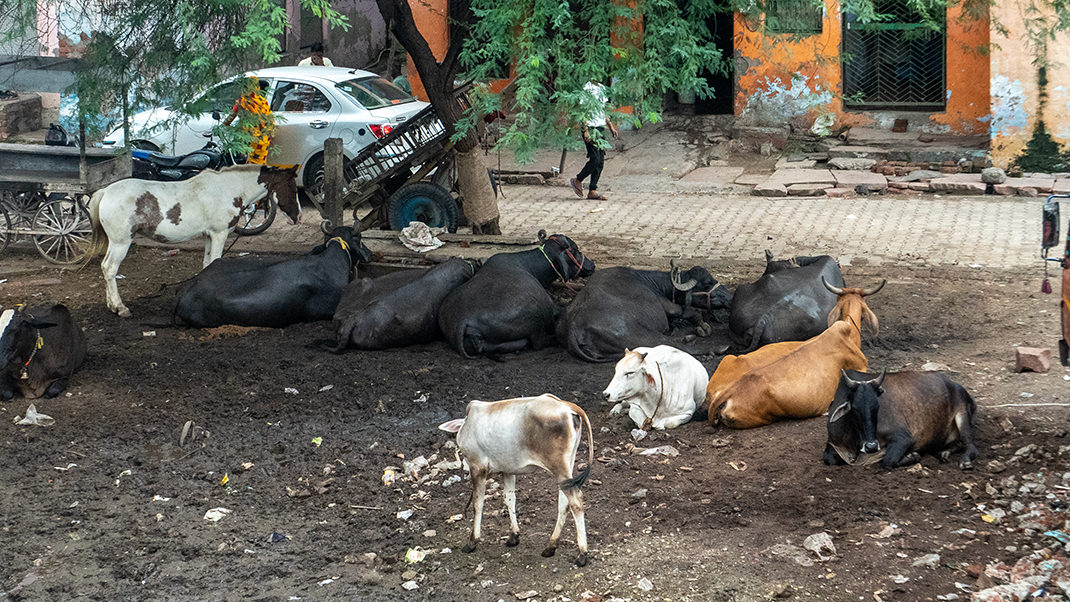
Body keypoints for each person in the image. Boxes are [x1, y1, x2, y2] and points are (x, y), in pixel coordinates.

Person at [570, 81, 618, 200]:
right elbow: (583, 111)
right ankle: (578, 180)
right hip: (590, 128)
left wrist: (611, 127)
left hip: (600, 128)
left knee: (600, 161)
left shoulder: (602, 88)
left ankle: (592, 190)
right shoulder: (587, 88)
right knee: (595, 159)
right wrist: (585, 130)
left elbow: (603, 110)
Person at [223, 78, 275, 165]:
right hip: (263, 140)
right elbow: (269, 121)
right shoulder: (263, 101)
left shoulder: (242, 103)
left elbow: (228, 120)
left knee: (247, 167)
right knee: (258, 165)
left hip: (248, 140)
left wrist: (227, 127)